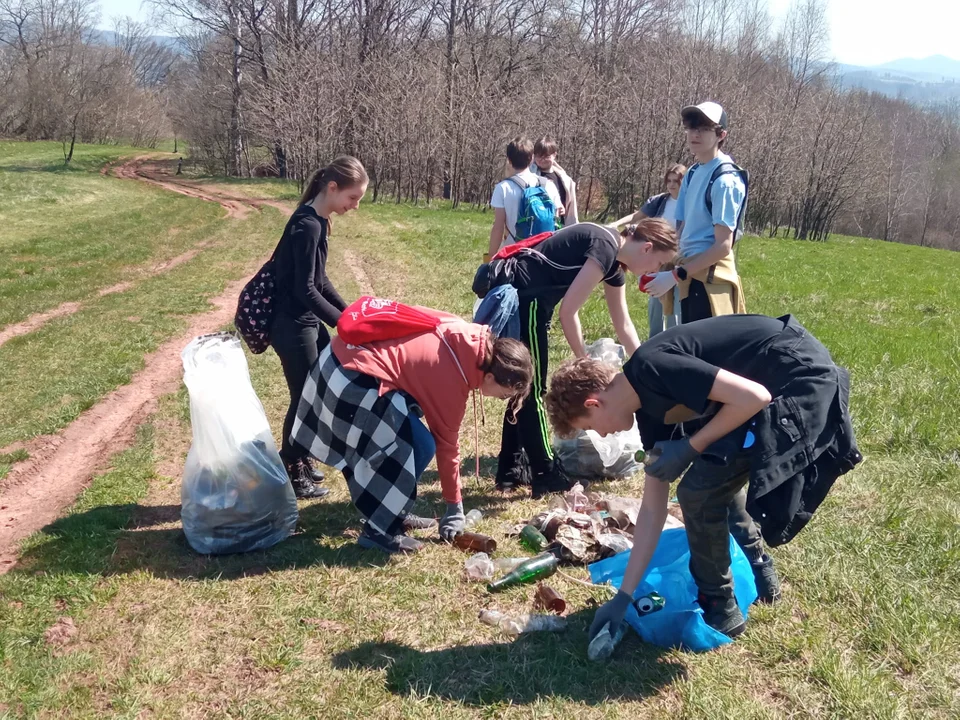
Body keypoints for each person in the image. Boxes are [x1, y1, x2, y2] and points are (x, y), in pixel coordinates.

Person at [545, 314, 861, 641]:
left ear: (593, 402)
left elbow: (755, 398)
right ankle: (759, 571)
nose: (601, 434)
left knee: (698, 491)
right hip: (772, 387)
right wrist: (622, 596)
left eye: (590, 426)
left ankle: (719, 604)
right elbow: (652, 511)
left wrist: (689, 447)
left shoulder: (653, 366)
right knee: (715, 470)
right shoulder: (650, 412)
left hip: (800, 381)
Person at [291, 314, 533, 554]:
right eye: (504, 395)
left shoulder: (467, 337)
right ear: (490, 377)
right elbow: (447, 447)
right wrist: (454, 507)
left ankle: (393, 511)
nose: (502, 400)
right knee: (418, 445)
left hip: (341, 357)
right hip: (348, 377)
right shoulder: (453, 379)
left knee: (410, 436)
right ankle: (378, 531)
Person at [493, 219, 679, 497]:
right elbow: (568, 312)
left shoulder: (614, 263)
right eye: (658, 263)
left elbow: (623, 323)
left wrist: (645, 362)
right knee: (532, 388)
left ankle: (511, 466)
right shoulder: (604, 246)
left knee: (524, 386)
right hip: (525, 300)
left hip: (533, 303)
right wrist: (586, 363)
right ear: (647, 248)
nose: (655, 271)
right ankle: (545, 472)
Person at [270, 156, 367, 499]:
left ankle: (302, 455)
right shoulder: (307, 225)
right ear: (332, 188)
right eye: (352, 198)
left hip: (306, 321)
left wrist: (350, 313)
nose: (353, 206)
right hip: (291, 324)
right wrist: (342, 323)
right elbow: (304, 289)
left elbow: (320, 280)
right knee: (305, 397)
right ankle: (291, 466)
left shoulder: (319, 222)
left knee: (319, 389)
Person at [643, 102, 747, 324]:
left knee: (709, 355)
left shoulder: (725, 180)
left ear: (721, 135)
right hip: (689, 274)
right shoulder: (691, 173)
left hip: (711, 281)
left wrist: (674, 275)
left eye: (704, 128)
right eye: (691, 127)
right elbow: (681, 229)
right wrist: (661, 261)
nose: (695, 134)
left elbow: (723, 246)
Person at [614, 163, 687, 337]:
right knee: (655, 298)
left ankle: (672, 339)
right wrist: (615, 224)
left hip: (679, 256)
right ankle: (654, 337)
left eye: (676, 181)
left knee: (676, 300)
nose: (671, 184)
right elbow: (637, 216)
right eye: (668, 180)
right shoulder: (660, 200)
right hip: (658, 255)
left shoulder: (689, 202)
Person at [488, 137, 563, 257]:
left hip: (513, 253)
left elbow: (498, 227)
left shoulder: (503, 188)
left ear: (509, 160)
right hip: (543, 254)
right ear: (532, 158)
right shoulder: (548, 185)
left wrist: (490, 258)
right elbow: (555, 222)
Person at [530, 136, 579, 226]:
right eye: (538, 156)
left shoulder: (564, 179)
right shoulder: (531, 177)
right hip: (539, 227)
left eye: (546, 156)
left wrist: (563, 210)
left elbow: (568, 206)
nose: (542, 159)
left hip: (560, 226)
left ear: (554, 155)